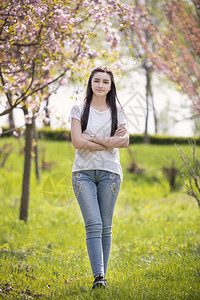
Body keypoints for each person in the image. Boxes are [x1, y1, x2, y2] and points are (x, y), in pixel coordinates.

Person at [69, 66, 129, 289]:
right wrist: (108, 141)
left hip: (110, 174)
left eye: (105, 81)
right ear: (90, 83)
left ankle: (101, 278)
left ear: (111, 85)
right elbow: (76, 142)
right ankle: (99, 277)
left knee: (106, 225)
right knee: (93, 224)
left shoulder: (117, 111)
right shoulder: (79, 109)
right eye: (97, 81)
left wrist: (92, 138)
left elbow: (123, 142)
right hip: (82, 173)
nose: (101, 85)